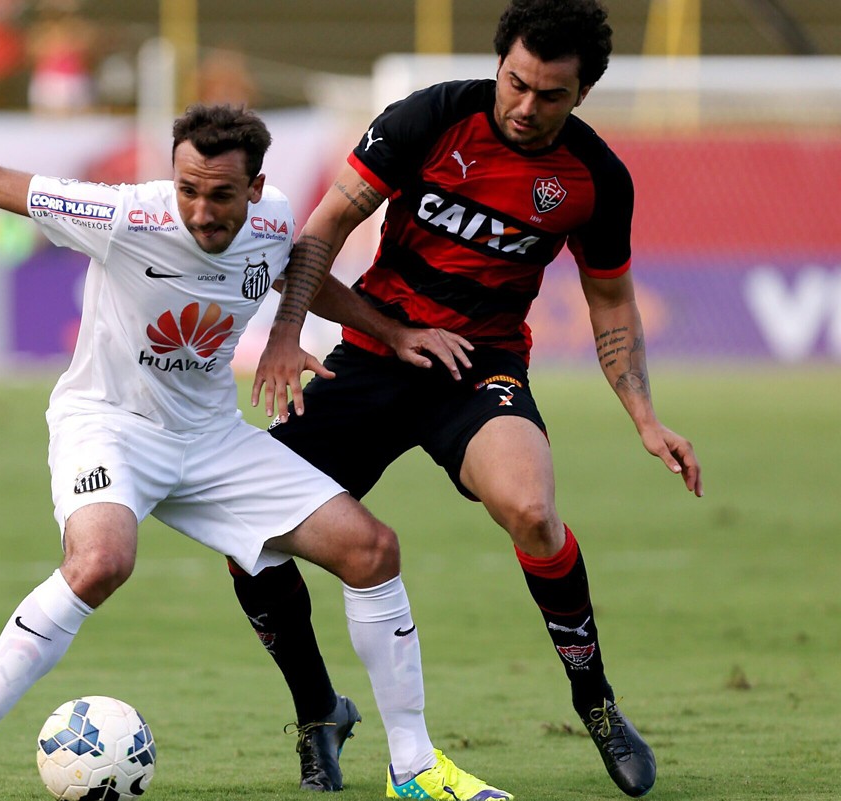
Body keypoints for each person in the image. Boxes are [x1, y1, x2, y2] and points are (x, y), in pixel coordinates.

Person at [0, 105, 511, 801]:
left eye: (221, 195)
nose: (201, 211)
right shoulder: (122, 216)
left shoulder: (274, 218)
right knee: (100, 562)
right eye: (188, 190)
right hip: (108, 425)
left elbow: (298, 270)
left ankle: (413, 767)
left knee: (372, 550)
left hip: (210, 438)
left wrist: (387, 332)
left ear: (256, 189)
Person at [238, 1, 703, 798]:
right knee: (246, 528)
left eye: (550, 95)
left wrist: (645, 418)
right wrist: (286, 334)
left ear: (582, 94)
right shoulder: (428, 119)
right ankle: (319, 711)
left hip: (480, 367)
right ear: (499, 65)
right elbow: (325, 225)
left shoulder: (595, 178)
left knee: (532, 509)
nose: (526, 106)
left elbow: (611, 300)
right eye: (516, 83)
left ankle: (594, 701)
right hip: (377, 354)